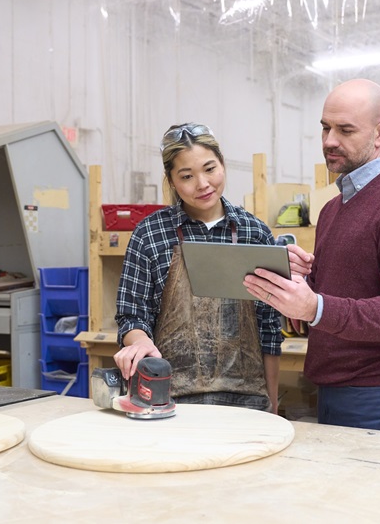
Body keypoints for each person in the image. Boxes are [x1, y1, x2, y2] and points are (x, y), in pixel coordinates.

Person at [244, 79, 380, 434]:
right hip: (334, 392)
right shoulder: (334, 208)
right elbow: (336, 305)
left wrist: (315, 306)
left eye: (345, 130)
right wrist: (301, 285)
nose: (329, 141)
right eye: (325, 127)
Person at [114, 123, 283, 414]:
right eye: (187, 176)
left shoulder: (254, 233)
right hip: (168, 400)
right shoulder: (150, 234)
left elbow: (269, 328)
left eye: (210, 169)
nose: (203, 184)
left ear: (223, 165)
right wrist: (140, 342)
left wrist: (273, 403)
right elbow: (131, 316)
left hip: (247, 404)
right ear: (171, 180)